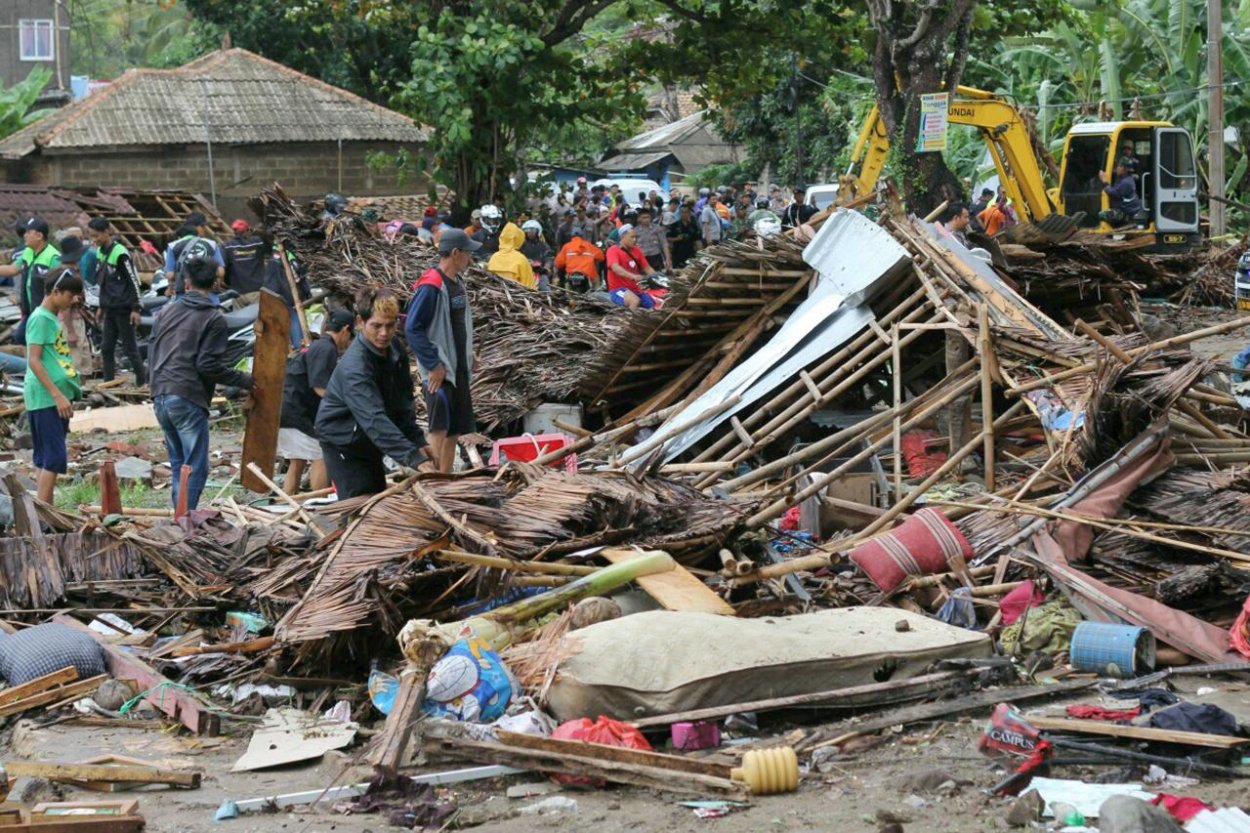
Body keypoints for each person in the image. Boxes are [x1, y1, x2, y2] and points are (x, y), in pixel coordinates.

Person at [149, 255, 253, 511]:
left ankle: (179, 519)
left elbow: (152, 351)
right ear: (216, 283)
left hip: (160, 393)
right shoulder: (213, 317)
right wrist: (245, 380)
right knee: (195, 466)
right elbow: (207, 365)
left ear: (186, 282)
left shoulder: (166, 311)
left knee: (178, 464)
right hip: (185, 395)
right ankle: (184, 521)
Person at [318, 288, 429, 496]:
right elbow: (373, 418)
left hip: (368, 439)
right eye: (376, 326)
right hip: (344, 440)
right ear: (360, 322)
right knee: (358, 503)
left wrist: (418, 441)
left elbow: (403, 402)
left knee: (376, 497)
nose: (384, 333)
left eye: (390, 325)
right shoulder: (355, 367)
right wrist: (414, 458)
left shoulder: (395, 349)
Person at [405, 229, 478, 473]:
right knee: (439, 430)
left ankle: (445, 481)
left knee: (454, 431)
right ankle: (432, 481)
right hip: (440, 372)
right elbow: (412, 328)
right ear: (455, 253)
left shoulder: (457, 283)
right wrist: (433, 364)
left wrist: (469, 354)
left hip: (458, 369)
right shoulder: (431, 286)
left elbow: (458, 325)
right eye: (468, 253)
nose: (470, 258)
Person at [278, 308, 355, 494]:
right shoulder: (326, 348)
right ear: (345, 330)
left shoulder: (318, 346)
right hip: (296, 413)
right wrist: (345, 405)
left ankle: (289, 503)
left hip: (285, 410)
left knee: (297, 460)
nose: (349, 341)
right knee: (322, 454)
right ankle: (319, 504)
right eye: (350, 335)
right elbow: (319, 387)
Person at [24, 268, 83, 504]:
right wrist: (57, 394)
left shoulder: (50, 318)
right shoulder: (39, 318)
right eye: (70, 295)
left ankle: (42, 512)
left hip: (51, 396)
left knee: (44, 458)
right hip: (46, 397)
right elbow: (34, 359)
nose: (73, 300)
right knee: (55, 457)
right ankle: (44, 514)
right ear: (55, 291)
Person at [87, 217, 146, 385]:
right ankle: (108, 383)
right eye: (91, 236)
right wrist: (101, 306)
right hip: (109, 308)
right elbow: (103, 281)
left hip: (124, 308)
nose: (94, 240)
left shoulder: (120, 253)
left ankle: (142, 381)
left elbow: (133, 280)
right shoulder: (100, 252)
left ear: (106, 233)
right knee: (106, 348)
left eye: (96, 236)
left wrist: (136, 308)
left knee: (130, 348)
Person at [0, 217, 61, 345]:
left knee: (36, 344)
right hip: (30, 310)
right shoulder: (28, 252)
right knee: (21, 338)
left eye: (28, 232)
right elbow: (12, 269)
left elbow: (60, 288)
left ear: (39, 236)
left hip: (45, 313)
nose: (25, 235)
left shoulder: (53, 257)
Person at [261, 240, 313, 349]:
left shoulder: (275, 256)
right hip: (285, 298)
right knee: (295, 327)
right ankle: (299, 348)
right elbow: (296, 277)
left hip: (274, 296)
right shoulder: (288, 256)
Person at [164, 212, 225, 295]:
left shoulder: (173, 246)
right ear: (195, 227)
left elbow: (170, 275)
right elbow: (220, 272)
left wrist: (170, 289)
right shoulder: (212, 244)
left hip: (184, 296)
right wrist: (215, 286)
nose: (204, 229)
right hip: (209, 295)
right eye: (202, 226)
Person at [606, 224, 659, 309]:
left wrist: (659, 278)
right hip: (617, 289)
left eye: (635, 237)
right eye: (632, 237)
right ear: (623, 237)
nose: (634, 240)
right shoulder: (613, 250)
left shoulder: (637, 250)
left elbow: (648, 268)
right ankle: (629, 322)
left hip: (635, 289)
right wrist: (632, 276)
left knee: (652, 306)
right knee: (634, 301)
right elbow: (615, 268)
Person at [222, 219, 267, 303]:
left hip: (237, 294)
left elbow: (223, 268)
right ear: (247, 230)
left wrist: (229, 283)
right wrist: (253, 230)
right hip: (257, 291)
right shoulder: (257, 242)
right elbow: (268, 239)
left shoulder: (228, 246)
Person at [486, 222, 537, 290]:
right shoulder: (521, 259)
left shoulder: (494, 258)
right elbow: (530, 286)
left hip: (494, 295)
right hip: (517, 296)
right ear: (518, 239)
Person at [1099, 158, 1145, 227]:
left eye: (1119, 166)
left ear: (1125, 169)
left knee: (1102, 214)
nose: (1117, 168)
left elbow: (1114, 194)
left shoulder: (1126, 182)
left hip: (1126, 213)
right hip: (1125, 210)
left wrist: (1104, 181)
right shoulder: (1124, 178)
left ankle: (1123, 224)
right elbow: (1114, 172)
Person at [519, 219, 554, 290]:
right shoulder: (521, 245)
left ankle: (548, 298)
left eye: (533, 230)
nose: (530, 233)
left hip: (540, 272)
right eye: (528, 230)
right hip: (524, 272)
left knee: (545, 287)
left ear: (538, 231)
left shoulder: (544, 245)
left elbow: (549, 257)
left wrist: (546, 266)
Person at [668, 203, 702, 269]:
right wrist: (676, 239)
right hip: (677, 255)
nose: (684, 214)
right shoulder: (674, 225)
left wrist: (700, 254)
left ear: (689, 213)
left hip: (690, 254)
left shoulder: (694, 226)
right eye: (682, 212)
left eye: (686, 212)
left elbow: (697, 240)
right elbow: (667, 239)